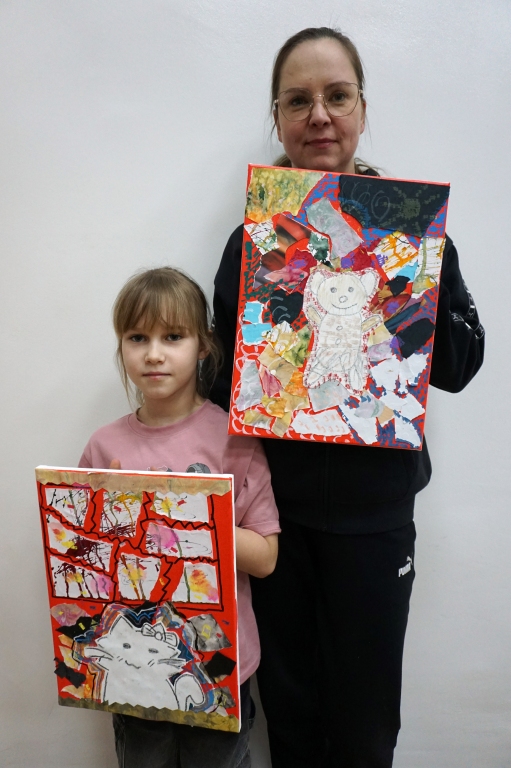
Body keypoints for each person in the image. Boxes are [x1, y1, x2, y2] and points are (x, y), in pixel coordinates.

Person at [211, 26, 485, 768]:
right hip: (276, 524)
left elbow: (461, 365)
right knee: (291, 718)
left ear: (362, 108)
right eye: (297, 101)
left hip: (375, 519)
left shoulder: (413, 234)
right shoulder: (251, 243)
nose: (319, 116)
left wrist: (414, 274)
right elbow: (219, 384)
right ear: (277, 119)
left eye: (337, 96)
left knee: (365, 729)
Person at [79, 266, 280, 768]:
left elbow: (265, 558)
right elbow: (83, 564)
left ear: (203, 345)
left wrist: (182, 516)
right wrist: (111, 521)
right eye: (137, 338)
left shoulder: (234, 439)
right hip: (131, 665)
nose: (153, 354)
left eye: (172, 336)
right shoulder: (104, 445)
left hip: (218, 662)